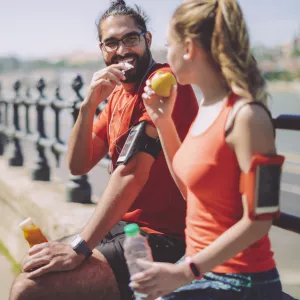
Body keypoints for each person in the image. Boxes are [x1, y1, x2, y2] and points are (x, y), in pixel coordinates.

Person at [9, 1, 199, 300]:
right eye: (112, 43)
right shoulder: (116, 96)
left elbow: (132, 173)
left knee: (28, 289)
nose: (122, 50)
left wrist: (81, 247)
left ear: (147, 40)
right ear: (102, 49)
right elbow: (78, 165)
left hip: (164, 237)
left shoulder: (162, 87)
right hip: (123, 228)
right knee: (33, 267)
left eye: (131, 39)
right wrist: (87, 107)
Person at [129, 0, 285, 299]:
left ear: (187, 49)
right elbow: (191, 192)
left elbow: (261, 219)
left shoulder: (247, 116)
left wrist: (185, 271)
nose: (165, 54)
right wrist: (163, 122)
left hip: (242, 280)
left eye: (168, 45)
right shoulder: (207, 107)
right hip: (200, 269)